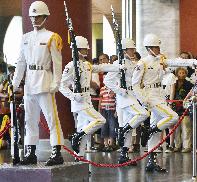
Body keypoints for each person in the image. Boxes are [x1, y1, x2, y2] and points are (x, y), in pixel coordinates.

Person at [132, 33, 197, 172]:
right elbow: (135, 84)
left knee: (156, 129)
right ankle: (149, 131)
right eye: (155, 47)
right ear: (149, 48)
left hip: (159, 94)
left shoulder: (160, 60)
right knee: (173, 117)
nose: (158, 49)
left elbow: (176, 62)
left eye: (158, 46)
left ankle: (151, 160)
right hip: (150, 96)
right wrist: (143, 99)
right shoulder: (142, 63)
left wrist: (192, 62)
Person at [12, 1, 64, 166]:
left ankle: (56, 152)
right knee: (30, 119)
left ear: (45, 17)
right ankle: (31, 152)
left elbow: (57, 62)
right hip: (29, 83)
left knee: (51, 118)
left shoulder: (51, 37)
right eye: (32, 16)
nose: (34, 19)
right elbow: (21, 63)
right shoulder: (26, 38)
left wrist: (57, 82)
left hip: (45, 80)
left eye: (38, 16)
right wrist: (15, 83)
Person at [59, 36, 121, 159]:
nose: (87, 51)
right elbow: (62, 86)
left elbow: (101, 67)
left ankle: (79, 156)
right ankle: (77, 136)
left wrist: (118, 67)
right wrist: (72, 96)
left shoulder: (87, 64)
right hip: (79, 100)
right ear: (77, 50)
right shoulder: (71, 66)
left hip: (87, 98)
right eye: (84, 49)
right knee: (100, 120)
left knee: (83, 127)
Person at [104, 38, 149, 164]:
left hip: (132, 96)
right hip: (125, 97)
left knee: (128, 127)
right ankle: (122, 131)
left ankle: (123, 155)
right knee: (143, 114)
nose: (133, 51)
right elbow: (107, 81)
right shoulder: (118, 63)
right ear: (124, 50)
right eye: (131, 49)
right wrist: (120, 90)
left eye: (134, 49)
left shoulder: (133, 63)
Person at [170, 67, 193, 153]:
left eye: (183, 73)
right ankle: (177, 145)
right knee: (176, 128)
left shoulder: (189, 84)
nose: (182, 74)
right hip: (175, 108)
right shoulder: (173, 83)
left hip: (185, 108)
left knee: (186, 127)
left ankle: (187, 146)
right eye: (180, 73)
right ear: (176, 74)